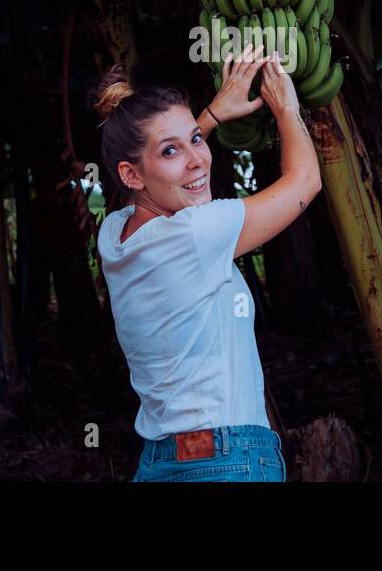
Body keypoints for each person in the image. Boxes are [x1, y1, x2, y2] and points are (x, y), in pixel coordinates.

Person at [90, 44, 321, 482]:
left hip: (162, 463)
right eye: (171, 151)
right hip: (225, 462)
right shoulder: (196, 233)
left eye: (195, 140)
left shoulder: (116, 235)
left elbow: (167, 177)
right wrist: (287, 107)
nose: (198, 159)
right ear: (131, 175)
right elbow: (305, 181)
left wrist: (209, 117)